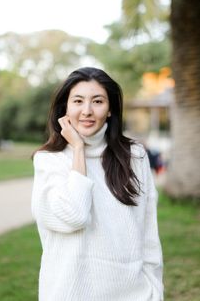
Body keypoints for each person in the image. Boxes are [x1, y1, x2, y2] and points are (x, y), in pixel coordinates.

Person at [31, 67, 164, 301]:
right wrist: (78, 149)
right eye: (78, 101)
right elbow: (75, 215)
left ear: (110, 109)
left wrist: (155, 288)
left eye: (98, 101)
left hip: (134, 294)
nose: (87, 111)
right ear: (65, 108)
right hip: (69, 294)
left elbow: (148, 232)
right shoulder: (49, 161)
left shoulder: (135, 155)